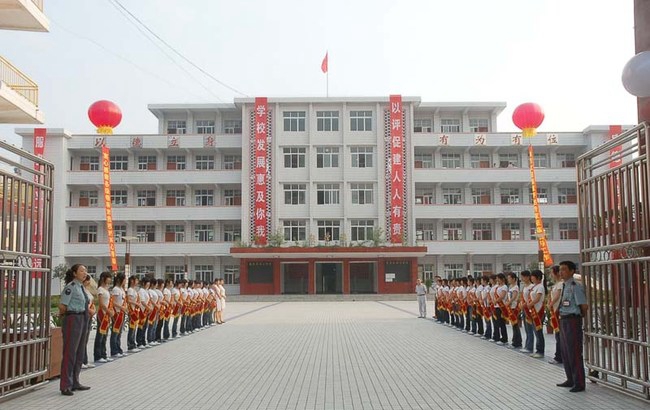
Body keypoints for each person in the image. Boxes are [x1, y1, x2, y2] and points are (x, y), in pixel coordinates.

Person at [58, 264, 92, 396]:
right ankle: (65, 385)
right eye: (82, 271)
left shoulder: (81, 287)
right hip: (73, 319)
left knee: (79, 352)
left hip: (83, 319)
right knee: (70, 352)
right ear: (74, 273)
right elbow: (62, 306)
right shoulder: (70, 287)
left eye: (86, 270)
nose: (85, 273)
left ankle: (75, 381)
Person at [556, 261, 587, 393]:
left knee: (574, 352)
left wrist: (579, 317)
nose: (561, 272)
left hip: (573, 320)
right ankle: (570, 379)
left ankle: (579, 382)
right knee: (565, 351)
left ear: (572, 271)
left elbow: (584, 306)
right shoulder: (564, 285)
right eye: (560, 270)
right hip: (563, 320)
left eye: (564, 269)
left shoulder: (575, 286)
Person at [93, 271, 114, 363]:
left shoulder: (106, 289)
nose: (110, 279)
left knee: (105, 335)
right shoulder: (100, 289)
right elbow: (101, 304)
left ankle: (104, 354)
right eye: (108, 277)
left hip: (107, 314)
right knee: (100, 335)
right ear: (103, 278)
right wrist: (108, 310)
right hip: (103, 314)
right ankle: (98, 355)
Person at [527, 269, 546, 358]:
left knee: (538, 332)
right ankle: (537, 349)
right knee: (536, 331)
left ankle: (540, 351)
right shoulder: (534, 287)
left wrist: (530, 304)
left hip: (538, 311)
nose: (531, 278)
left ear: (538, 277)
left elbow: (538, 298)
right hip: (533, 311)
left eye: (532, 276)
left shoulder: (540, 287)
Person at [548, 265, 563, 365]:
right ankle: (559, 356)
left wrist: (551, 304)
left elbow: (557, 296)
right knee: (558, 336)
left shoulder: (561, 284)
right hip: (554, 310)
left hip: (558, 311)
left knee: (560, 336)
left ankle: (559, 356)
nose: (551, 275)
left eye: (551, 272)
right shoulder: (556, 284)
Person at [110, 273, 128, 358]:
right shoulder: (115, 289)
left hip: (122, 312)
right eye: (124, 279)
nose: (125, 281)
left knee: (119, 332)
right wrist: (121, 307)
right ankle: (114, 350)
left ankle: (118, 348)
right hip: (117, 312)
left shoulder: (121, 289)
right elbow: (113, 302)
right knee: (115, 332)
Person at [81, 275, 96, 369]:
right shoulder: (80, 290)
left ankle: (85, 360)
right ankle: (81, 360)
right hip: (84, 315)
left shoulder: (87, 290)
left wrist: (93, 310)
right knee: (82, 339)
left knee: (86, 339)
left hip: (89, 315)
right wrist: (89, 310)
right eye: (87, 280)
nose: (89, 282)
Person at [519, 270, 534, 353]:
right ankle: (527, 345)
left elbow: (529, 299)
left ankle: (530, 347)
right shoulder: (524, 287)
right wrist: (521, 304)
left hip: (529, 310)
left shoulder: (531, 287)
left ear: (528, 277)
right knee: (526, 329)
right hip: (524, 309)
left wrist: (524, 304)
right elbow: (522, 298)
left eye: (523, 277)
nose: (522, 278)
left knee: (530, 329)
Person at [506, 272, 522, 349]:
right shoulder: (510, 286)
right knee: (513, 325)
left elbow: (514, 297)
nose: (508, 279)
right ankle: (515, 341)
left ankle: (517, 342)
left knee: (515, 325)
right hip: (510, 307)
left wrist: (509, 302)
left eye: (509, 278)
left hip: (514, 307)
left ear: (514, 279)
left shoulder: (515, 287)